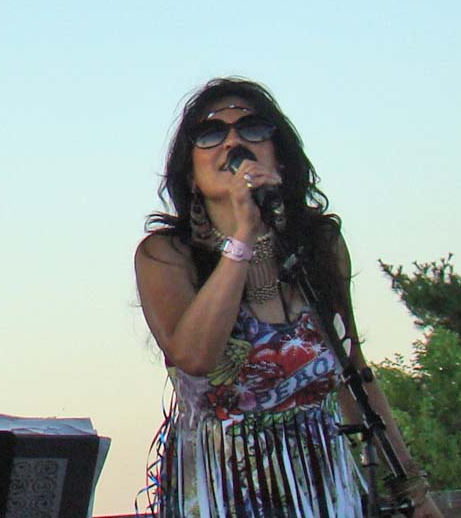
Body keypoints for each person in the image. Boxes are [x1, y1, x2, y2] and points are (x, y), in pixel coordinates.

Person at [135, 78, 443, 518]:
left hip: (320, 486)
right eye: (211, 133)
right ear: (190, 173)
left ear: (278, 155)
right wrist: (243, 236)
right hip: (224, 491)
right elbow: (195, 357)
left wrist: (413, 489)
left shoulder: (319, 246)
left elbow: (353, 370)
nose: (233, 142)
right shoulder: (165, 255)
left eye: (252, 128)